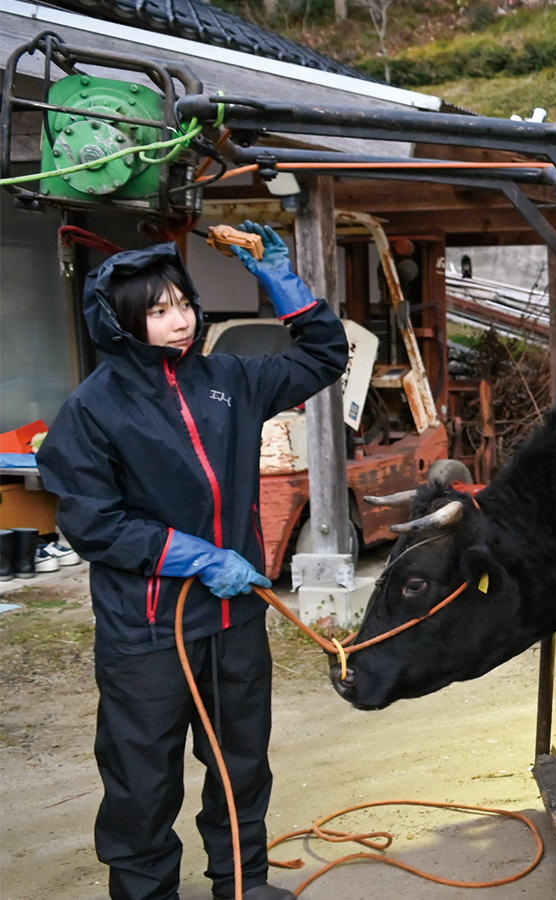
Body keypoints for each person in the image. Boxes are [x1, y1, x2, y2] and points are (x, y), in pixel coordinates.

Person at [36, 223, 348, 900]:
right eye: (157, 310)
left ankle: (243, 881)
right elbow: (92, 521)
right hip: (148, 629)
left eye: (182, 303)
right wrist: (191, 555)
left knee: (241, 762)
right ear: (120, 322)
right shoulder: (92, 411)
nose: (180, 320)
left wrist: (282, 283)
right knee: (142, 776)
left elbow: (325, 356)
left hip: (233, 619)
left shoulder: (228, 378)